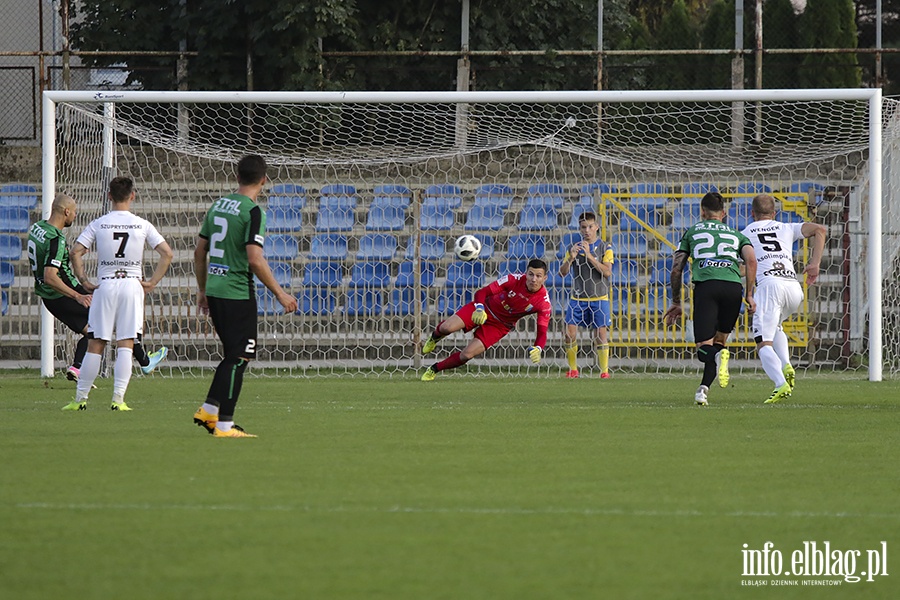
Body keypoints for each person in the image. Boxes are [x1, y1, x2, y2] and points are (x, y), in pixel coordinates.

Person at [192, 154, 298, 438]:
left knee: (232, 356)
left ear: (237, 177)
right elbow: (255, 259)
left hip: (215, 289)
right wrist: (280, 293)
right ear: (264, 180)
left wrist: (203, 289)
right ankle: (222, 423)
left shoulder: (218, 206)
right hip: (237, 292)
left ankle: (211, 411)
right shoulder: (253, 211)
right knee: (240, 357)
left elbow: (199, 252)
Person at [29, 194, 168, 387]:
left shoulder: (37, 228)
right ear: (66, 211)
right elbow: (51, 275)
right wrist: (78, 295)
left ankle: (78, 367)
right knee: (110, 318)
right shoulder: (57, 239)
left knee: (93, 330)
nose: (75, 216)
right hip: (63, 292)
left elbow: (50, 260)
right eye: (74, 212)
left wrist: (70, 257)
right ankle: (143, 362)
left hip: (50, 297)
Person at [67, 177, 173, 411]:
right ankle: (118, 401)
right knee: (126, 342)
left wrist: (84, 281)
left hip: (106, 284)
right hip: (132, 285)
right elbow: (167, 253)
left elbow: (75, 253)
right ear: (132, 196)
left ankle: (80, 400)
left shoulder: (99, 223)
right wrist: (153, 281)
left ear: (109, 196)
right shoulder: (142, 224)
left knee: (96, 342)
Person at [663, 191, 757, 406]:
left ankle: (717, 358)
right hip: (733, 289)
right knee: (719, 343)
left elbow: (676, 269)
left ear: (702, 212)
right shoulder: (737, 234)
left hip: (707, 288)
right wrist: (749, 295)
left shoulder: (692, 232)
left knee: (704, 348)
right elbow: (751, 261)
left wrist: (676, 301)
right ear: (723, 213)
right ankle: (702, 390)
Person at [741, 194, 826, 404]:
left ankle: (780, 384)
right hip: (793, 287)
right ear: (774, 213)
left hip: (769, 287)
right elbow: (820, 229)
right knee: (776, 326)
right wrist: (815, 264)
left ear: (752, 214)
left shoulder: (744, 234)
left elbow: (747, 267)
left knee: (763, 342)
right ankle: (786, 365)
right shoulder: (786, 227)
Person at [421, 259, 552, 381]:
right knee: (446, 328)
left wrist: (538, 348)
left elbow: (542, 332)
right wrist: (479, 308)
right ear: (526, 274)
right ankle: (434, 338)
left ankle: (434, 369)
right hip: (484, 308)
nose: (533, 279)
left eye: (538, 276)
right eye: (531, 274)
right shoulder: (513, 279)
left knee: (467, 355)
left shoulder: (543, 302)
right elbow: (482, 292)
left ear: (544, 278)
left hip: (500, 325)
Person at [559, 212, 614, 379]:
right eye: (584, 227)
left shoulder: (606, 247)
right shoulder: (574, 248)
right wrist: (571, 258)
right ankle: (573, 369)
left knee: (600, 335)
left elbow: (607, 272)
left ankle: (604, 371)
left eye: (590, 227)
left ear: (597, 226)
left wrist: (589, 256)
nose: (587, 230)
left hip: (599, 298)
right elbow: (562, 273)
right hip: (578, 298)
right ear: (580, 229)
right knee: (569, 333)